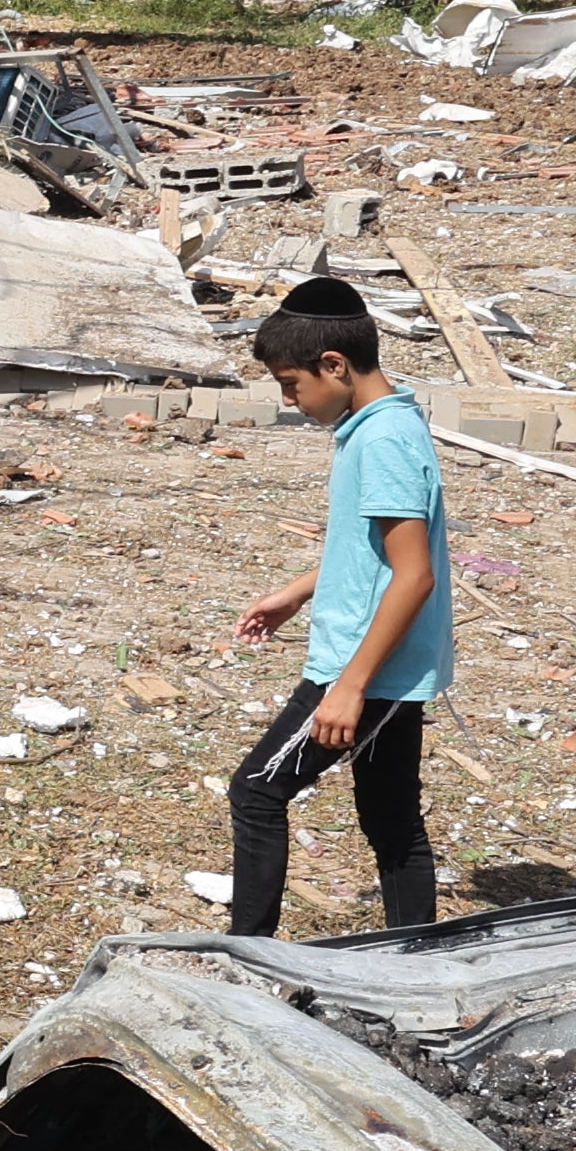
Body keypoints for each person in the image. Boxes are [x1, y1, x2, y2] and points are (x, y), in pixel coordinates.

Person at [224, 276, 450, 933]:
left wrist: (350, 687)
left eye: (291, 385)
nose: (292, 401)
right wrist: (295, 594)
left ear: (334, 365)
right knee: (391, 820)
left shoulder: (380, 443)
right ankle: (417, 954)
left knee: (257, 793)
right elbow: (371, 553)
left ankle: (250, 957)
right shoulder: (388, 422)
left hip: (364, 668)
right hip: (390, 667)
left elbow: (414, 577)